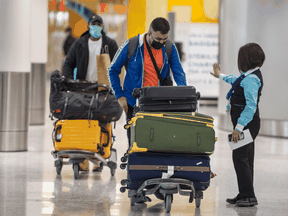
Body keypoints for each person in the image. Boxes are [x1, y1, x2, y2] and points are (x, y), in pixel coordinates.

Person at [108, 17, 187, 144]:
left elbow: (179, 72)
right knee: (134, 145)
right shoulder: (132, 45)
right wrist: (119, 95)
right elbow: (112, 70)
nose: (161, 42)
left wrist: (184, 94)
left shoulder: (169, 47)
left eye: (164, 39)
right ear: (149, 33)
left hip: (159, 103)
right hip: (134, 104)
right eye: (158, 39)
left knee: (158, 143)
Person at [210, 43, 265, 207]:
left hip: (247, 124)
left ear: (245, 60)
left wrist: (238, 128)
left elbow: (250, 106)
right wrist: (220, 75)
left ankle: (248, 195)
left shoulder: (252, 80)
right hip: (248, 124)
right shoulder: (249, 76)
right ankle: (245, 193)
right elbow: (235, 81)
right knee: (246, 158)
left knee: (240, 157)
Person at [62, 15, 119, 172]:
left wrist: (116, 85)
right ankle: (83, 159)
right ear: (88, 26)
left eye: (98, 25)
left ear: (102, 26)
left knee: (102, 121)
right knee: (84, 121)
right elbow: (68, 63)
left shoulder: (109, 44)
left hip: (102, 89)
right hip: (83, 88)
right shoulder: (79, 43)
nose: (95, 28)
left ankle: (99, 156)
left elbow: (118, 65)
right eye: (93, 25)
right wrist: (66, 81)